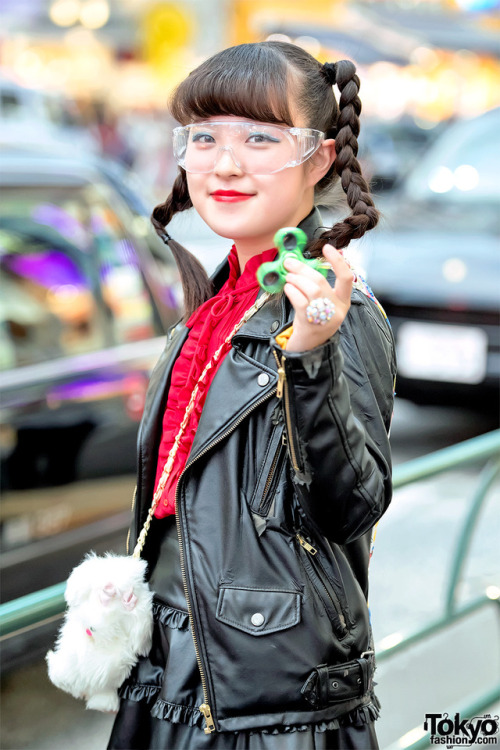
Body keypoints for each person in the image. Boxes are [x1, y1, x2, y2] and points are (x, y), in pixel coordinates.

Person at [108, 41, 396, 750]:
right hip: (173, 663)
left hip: (269, 701)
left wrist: (308, 359)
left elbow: (352, 504)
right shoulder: (215, 303)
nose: (224, 164)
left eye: (260, 138)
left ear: (321, 159)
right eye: (204, 137)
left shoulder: (337, 309)